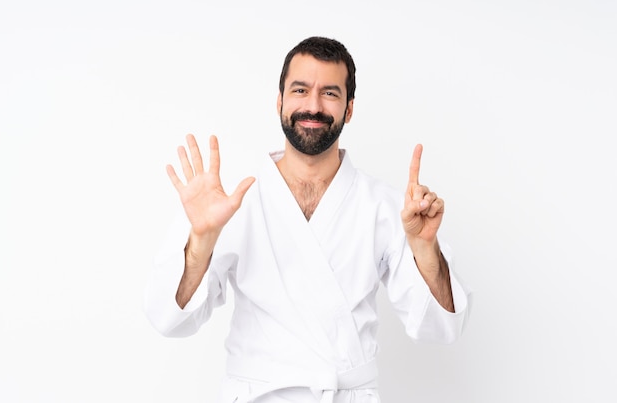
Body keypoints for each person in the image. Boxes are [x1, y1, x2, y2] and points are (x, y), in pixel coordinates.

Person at [144, 36, 471, 402]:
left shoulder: (385, 206)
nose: (313, 106)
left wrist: (426, 249)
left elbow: (442, 328)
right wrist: (201, 241)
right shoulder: (231, 202)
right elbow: (169, 319)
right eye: (300, 90)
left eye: (330, 93)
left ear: (348, 109)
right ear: (280, 101)